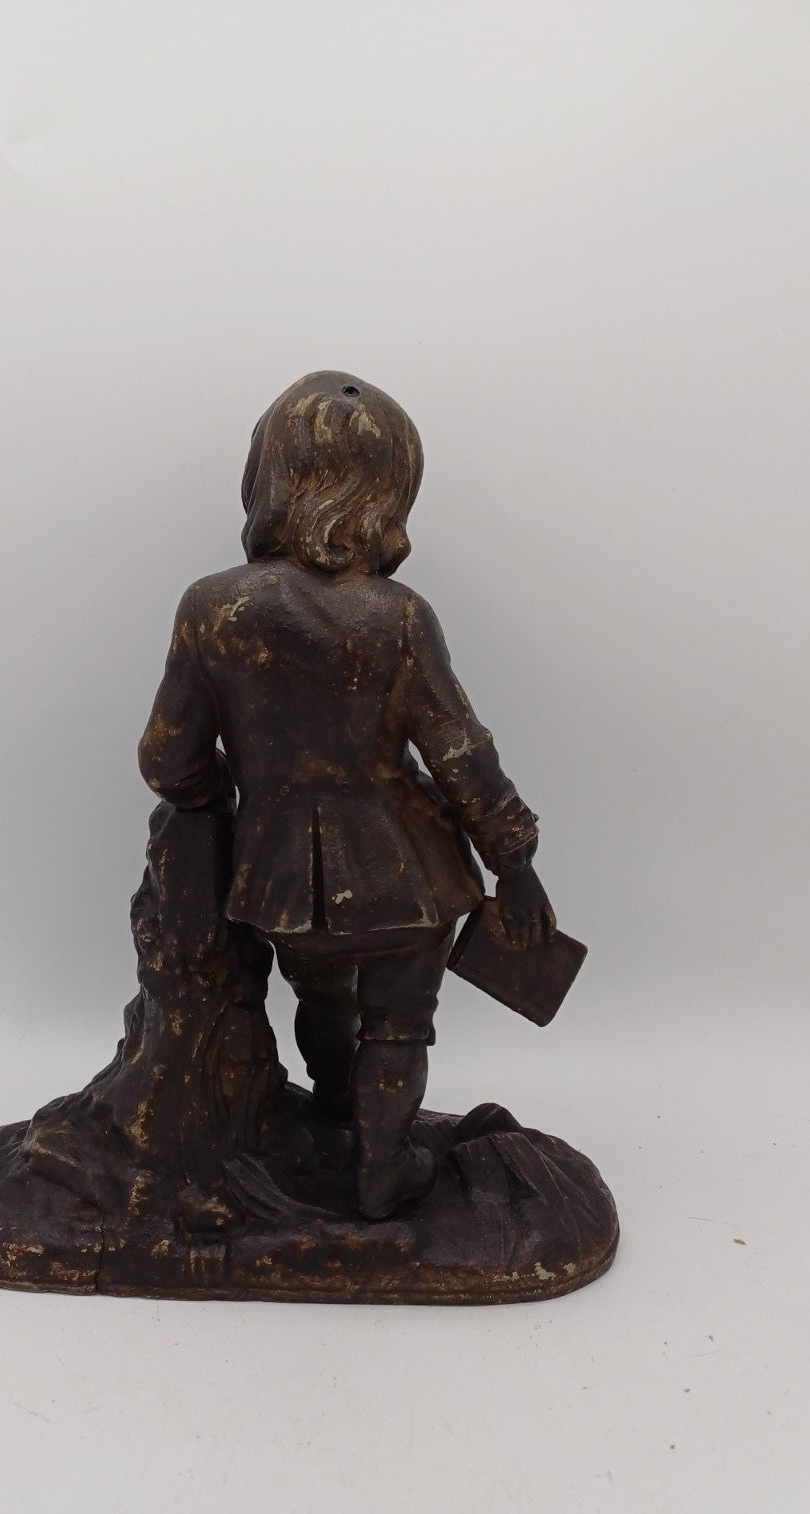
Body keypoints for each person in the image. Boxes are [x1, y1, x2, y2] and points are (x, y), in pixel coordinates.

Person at [138, 371, 554, 1219]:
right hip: (405, 869)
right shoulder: (398, 615)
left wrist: (243, 800)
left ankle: (336, 1113)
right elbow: (463, 755)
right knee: (399, 1020)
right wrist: (515, 864)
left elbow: (167, 759)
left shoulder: (211, 607)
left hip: (276, 876)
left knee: (320, 998)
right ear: (389, 489)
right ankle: (383, 1164)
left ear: (269, 472)